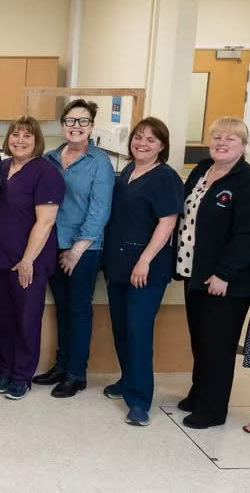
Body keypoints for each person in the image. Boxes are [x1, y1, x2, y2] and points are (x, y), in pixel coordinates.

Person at [102, 117, 183, 426]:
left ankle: (139, 400)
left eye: (151, 139)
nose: (142, 143)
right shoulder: (127, 173)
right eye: (138, 137)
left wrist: (145, 260)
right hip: (118, 264)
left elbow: (167, 223)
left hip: (146, 269)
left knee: (138, 331)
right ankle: (127, 380)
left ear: (162, 146)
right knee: (121, 327)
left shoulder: (165, 178)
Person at [36, 99, 114, 397]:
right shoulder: (50, 158)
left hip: (84, 249)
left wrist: (76, 250)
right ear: (62, 125)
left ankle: (76, 373)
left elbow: (99, 210)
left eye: (83, 121)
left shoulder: (100, 162)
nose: (76, 127)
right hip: (53, 245)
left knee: (79, 310)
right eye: (70, 121)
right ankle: (60, 365)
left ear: (92, 126)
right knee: (63, 309)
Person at [176, 117, 250, 430]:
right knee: (201, 340)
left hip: (226, 282)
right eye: (217, 137)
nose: (221, 142)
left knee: (218, 346)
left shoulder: (245, 180)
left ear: (243, 146)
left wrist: (224, 274)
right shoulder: (202, 170)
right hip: (195, 273)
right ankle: (199, 393)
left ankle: (213, 409)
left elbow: (246, 234)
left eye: (230, 139)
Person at [0, 116, 64, 401]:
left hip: (28, 261)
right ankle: (4, 371)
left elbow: (45, 222)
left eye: (27, 136)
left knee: (26, 319)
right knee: (2, 318)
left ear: (37, 141)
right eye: (15, 135)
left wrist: (27, 260)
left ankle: (22, 377)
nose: (20, 140)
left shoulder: (46, 173)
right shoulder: (2, 167)